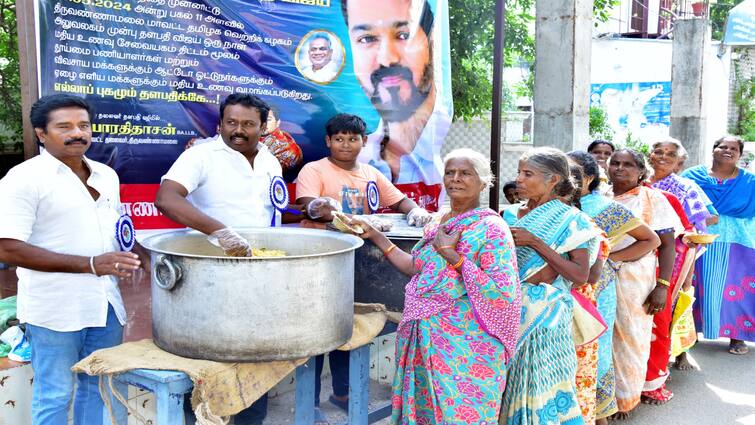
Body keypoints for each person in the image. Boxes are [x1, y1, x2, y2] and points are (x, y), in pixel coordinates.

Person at [0, 94, 149, 424]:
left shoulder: (106, 175)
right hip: (54, 309)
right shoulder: (23, 179)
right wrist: (91, 264)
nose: (77, 133)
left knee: (97, 386)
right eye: (64, 126)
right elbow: (7, 248)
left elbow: (114, 231)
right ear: (42, 133)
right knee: (54, 392)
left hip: (105, 305)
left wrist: (136, 257)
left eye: (83, 125)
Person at [349, 148, 521, 423]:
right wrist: (376, 236)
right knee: (425, 408)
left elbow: (501, 292)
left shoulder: (491, 229)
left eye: (465, 173)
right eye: (450, 173)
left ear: (483, 181)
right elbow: (414, 267)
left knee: (462, 413)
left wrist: (451, 255)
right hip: (426, 331)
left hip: (467, 341)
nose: (455, 179)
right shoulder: (439, 222)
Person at [294, 113, 431, 423]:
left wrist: (417, 212)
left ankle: (341, 393)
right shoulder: (314, 170)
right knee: (317, 334)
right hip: (321, 265)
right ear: (328, 141)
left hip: (359, 267)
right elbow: (308, 205)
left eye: (352, 139)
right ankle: (310, 403)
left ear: (363, 142)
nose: (346, 144)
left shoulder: (370, 173)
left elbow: (400, 202)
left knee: (350, 329)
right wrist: (324, 209)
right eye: (339, 139)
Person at [155, 93, 283, 424]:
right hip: (209, 277)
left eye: (248, 124)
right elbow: (167, 198)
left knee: (255, 357)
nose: (238, 130)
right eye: (231, 122)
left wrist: (308, 210)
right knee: (206, 361)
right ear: (221, 123)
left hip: (260, 276)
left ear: (263, 126)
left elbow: (271, 210)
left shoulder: (270, 160)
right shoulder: (202, 156)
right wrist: (220, 232)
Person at [500, 147, 602, 425]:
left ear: (553, 180)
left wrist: (535, 242)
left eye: (527, 174)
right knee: (506, 386)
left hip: (546, 319)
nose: (519, 179)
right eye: (519, 172)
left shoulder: (573, 220)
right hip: (506, 312)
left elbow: (581, 276)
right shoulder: (508, 215)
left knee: (539, 386)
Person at [567, 151, 659, 424]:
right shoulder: (554, 205)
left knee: (594, 348)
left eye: (573, 174)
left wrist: (611, 258)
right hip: (560, 285)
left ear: (590, 178)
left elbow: (650, 240)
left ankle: (599, 415)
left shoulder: (603, 207)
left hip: (597, 288)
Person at [343, 0, 452, 201]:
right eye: (367, 39)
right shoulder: (348, 163)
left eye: (403, 36)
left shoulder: (447, 171)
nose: (386, 58)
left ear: (431, 42)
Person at [608, 148, 683, 420]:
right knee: (603, 335)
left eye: (628, 164)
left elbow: (667, 246)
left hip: (636, 275)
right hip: (599, 274)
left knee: (631, 335)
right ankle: (603, 399)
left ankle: (626, 398)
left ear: (641, 171)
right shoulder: (599, 197)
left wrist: (662, 285)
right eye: (614, 163)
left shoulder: (652, 199)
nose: (619, 168)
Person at [681, 136, 755, 355]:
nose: (728, 150)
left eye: (733, 148)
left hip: (739, 242)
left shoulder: (750, 182)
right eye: (723, 146)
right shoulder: (692, 176)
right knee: (695, 286)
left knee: (737, 289)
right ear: (713, 150)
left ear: (740, 155)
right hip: (700, 239)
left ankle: (737, 336)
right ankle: (689, 334)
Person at [260, 105, 303, 173]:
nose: (263, 123)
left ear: (278, 122)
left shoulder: (288, 149)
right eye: (260, 119)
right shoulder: (252, 136)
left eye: (268, 119)